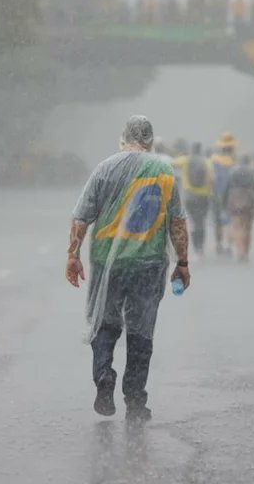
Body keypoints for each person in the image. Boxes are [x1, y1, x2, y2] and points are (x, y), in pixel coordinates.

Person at [66, 116, 190, 423]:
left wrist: (73, 255)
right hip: (148, 263)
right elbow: (177, 222)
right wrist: (183, 263)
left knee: (105, 324)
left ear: (124, 138)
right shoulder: (164, 171)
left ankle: (104, 377)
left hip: (109, 262)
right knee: (141, 332)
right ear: (150, 140)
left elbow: (81, 218)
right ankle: (135, 401)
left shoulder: (105, 168)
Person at [173, 142, 214, 256]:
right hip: (203, 197)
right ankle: (200, 247)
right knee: (201, 221)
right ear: (200, 150)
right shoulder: (207, 162)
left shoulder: (185, 160)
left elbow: (171, 163)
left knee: (194, 221)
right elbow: (211, 179)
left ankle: (196, 246)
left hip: (190, 197)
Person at [223, 156, 254, 262]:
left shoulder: (232, 171)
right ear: (249, 162)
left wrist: (224, 203)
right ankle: (246, 252)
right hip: (249, 200)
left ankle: (241, 252)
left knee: (237, 227)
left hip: (234, 200)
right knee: (248, 228)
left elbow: (226, 188)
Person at [209, 132, 238, 256]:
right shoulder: (236, 161)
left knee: (217, 222)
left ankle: (218, 245)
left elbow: (210, 178)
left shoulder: (213, 160)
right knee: (230, 221)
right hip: (232, 195)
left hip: (216, 195)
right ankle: (228, 246)